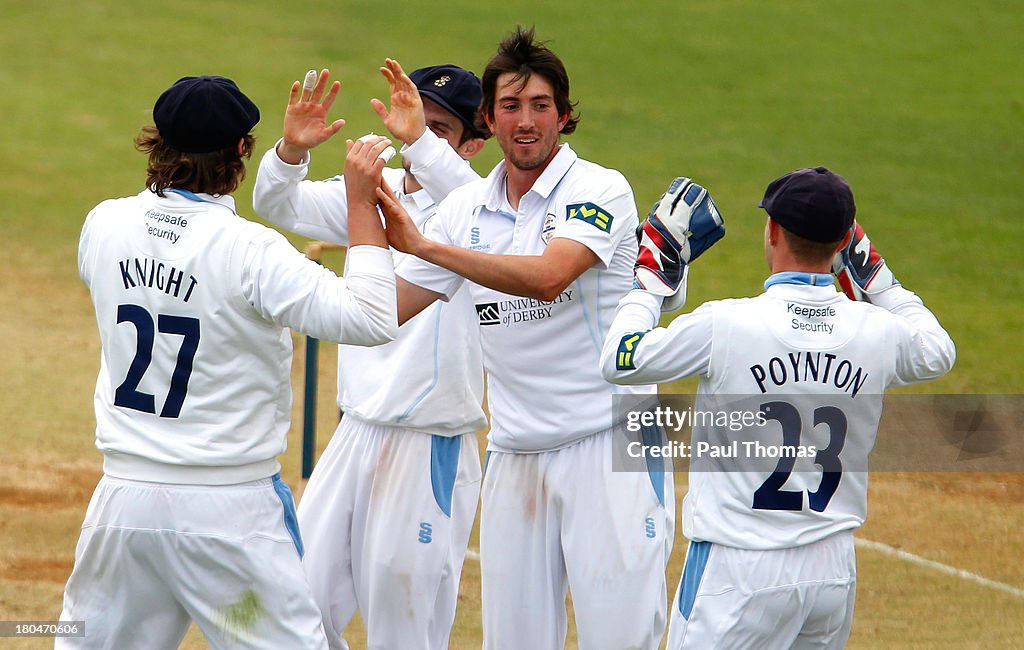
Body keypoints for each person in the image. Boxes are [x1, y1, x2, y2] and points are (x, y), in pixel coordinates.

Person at [57, 75, 398, 649]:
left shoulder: (103, 223)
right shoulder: (253, 252)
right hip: (230, 512)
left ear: (157, 142)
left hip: (123, 504)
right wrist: (360, 204)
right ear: (242, 150)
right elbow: (370, 317)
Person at [372, 26, 674, 650]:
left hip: (609, 440)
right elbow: (384, 309)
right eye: (510, 106)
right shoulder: (464, 211)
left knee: (617, 640)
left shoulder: (598, 188)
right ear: (490, 117)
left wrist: (427, 247)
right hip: (515, 452)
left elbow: (547, 277)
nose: (527, 121)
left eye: (541, 106)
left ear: (565, 116)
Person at [601, 167, 956, 649]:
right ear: (843, 242)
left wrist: (651, 280)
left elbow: (621, 359)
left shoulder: (725, 324)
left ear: (772, 232)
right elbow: (939, 350)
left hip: (738, 567)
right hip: (832, 572)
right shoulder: (878, 330)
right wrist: (877, 278)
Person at [252, 61, 488, 650]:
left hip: (428, 439)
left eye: (438, 131)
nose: (418, 139)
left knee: (403, 625)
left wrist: (417, 144)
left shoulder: (479, 210)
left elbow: (471, 204)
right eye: (415, 122)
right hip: (355, 431)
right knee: (295, 600)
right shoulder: (372, 195)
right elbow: (276, 205)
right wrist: (289, 150)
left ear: (474, 145)